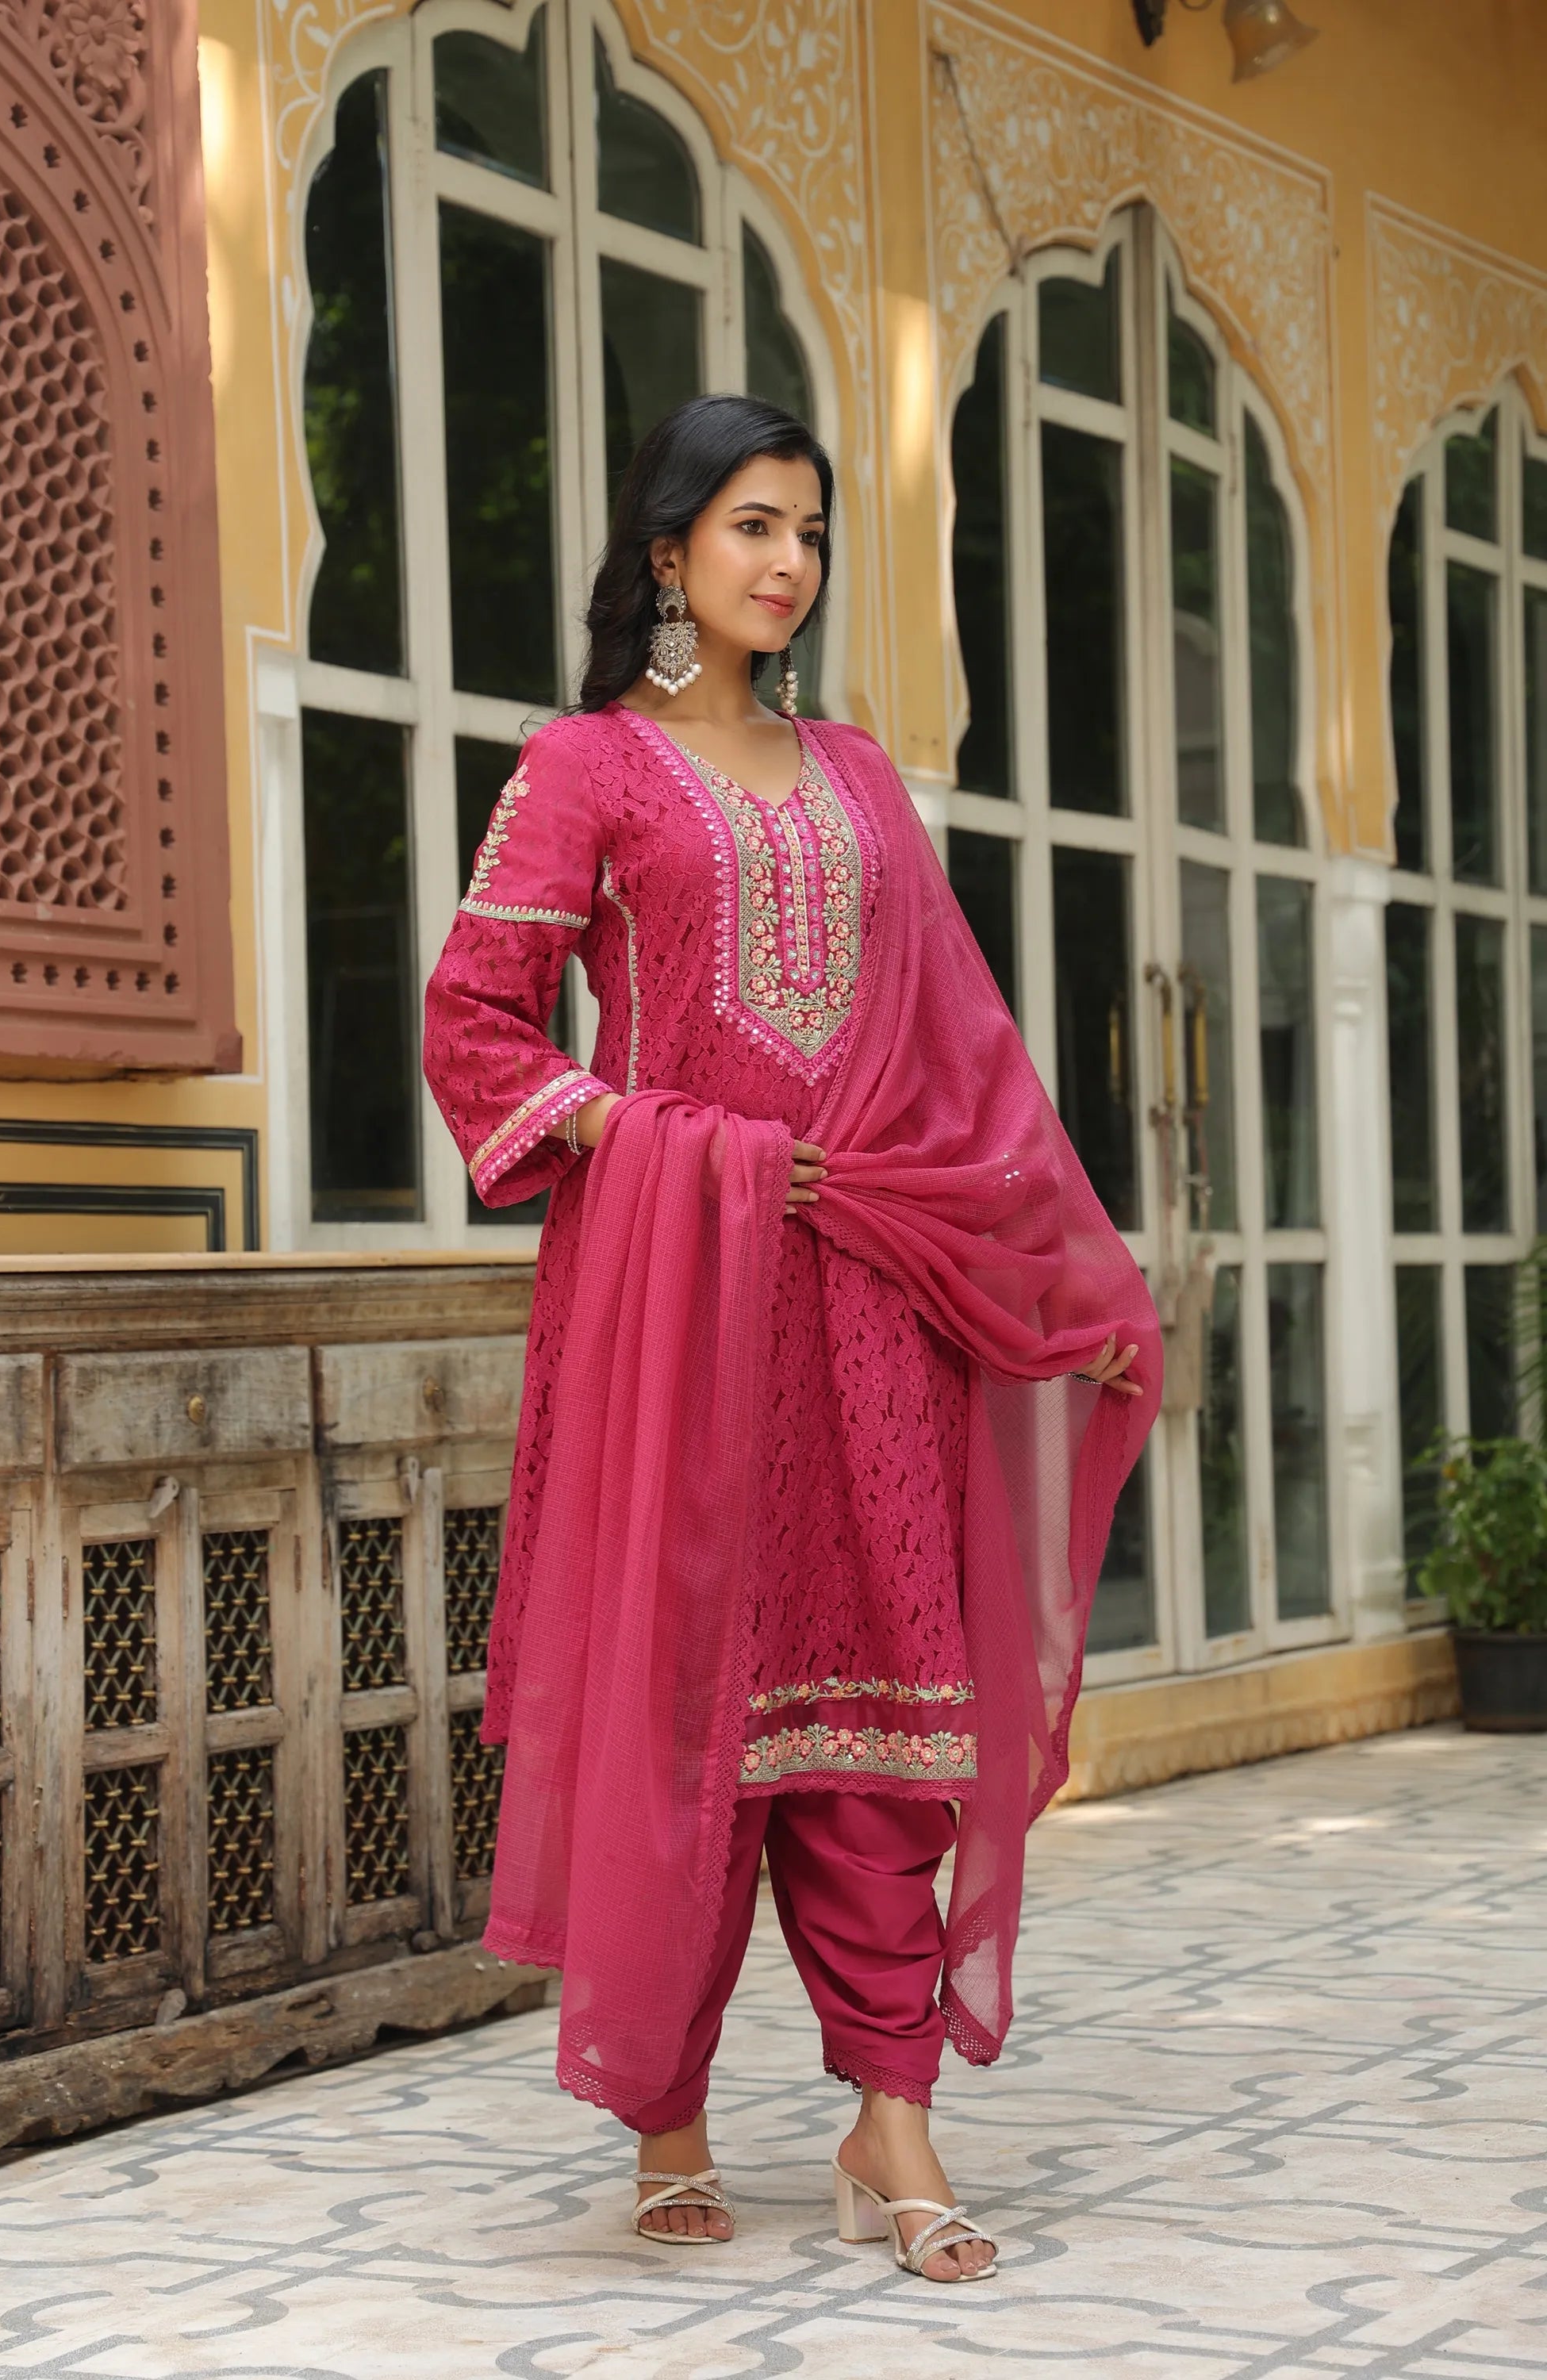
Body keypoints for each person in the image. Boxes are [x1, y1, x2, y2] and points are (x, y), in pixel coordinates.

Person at [423, 393, 1161, 2284]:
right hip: (675, 1313)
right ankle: (666, 2112)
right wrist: (665, 1144)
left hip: (867, 1301)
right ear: (668, 550)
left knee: (885, 1724)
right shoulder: (583, 766)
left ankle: (885, 2119)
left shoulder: (857, 780)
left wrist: (1048, 1267)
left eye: (811, 534)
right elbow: (479, 1023)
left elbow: (959, 1056)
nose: (785, 563)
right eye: (752, 525)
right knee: (689, 1701)